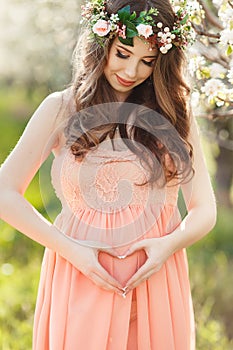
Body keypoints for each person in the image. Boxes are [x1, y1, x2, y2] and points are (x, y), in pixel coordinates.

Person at [0, 0, 216, 349]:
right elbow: (4, 192)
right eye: (123, 54)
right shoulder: (61, 108)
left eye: (147, 61)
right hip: (81, 275)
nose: (132, 70)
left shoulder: (175, 115)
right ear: (102, 44)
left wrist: (167, 246)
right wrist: (72, 251)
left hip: (156, 279)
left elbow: (205, 208)